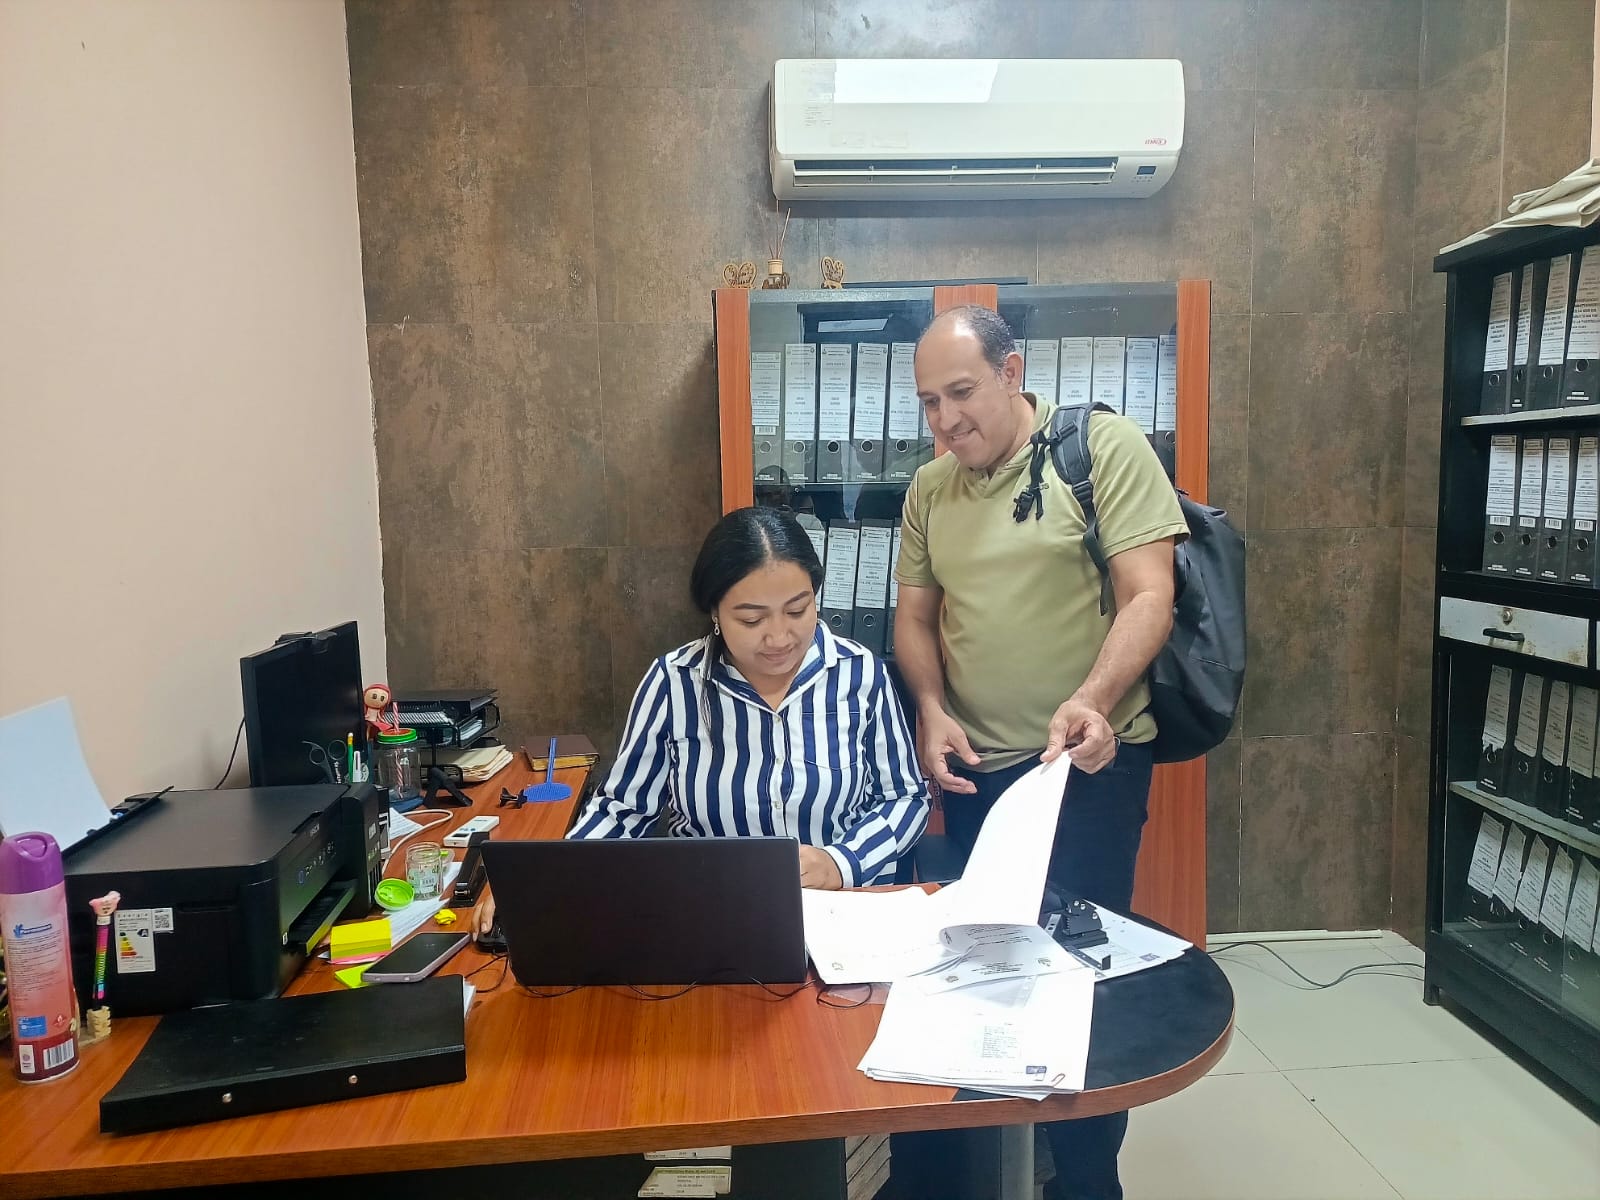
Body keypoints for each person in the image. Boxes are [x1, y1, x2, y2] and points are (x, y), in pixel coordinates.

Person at [891, 306, 1186, 1200]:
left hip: (1086, 767)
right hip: (977, 775)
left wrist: (1091, 700)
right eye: (930, 402)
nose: (946, 420)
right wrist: (931, 709)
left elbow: (1149, 595)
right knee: (985, 974)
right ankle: (993, 1163)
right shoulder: (929, 489)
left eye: (962, 392)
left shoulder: (1102, 449)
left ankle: (1085, 1179)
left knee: (1079, 976)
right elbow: (915, 618)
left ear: (1012, 373)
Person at [473, 506, 929, 937]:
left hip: (840, 915)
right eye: (751, 619)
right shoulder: (675, 682)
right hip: (711, 916)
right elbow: (624, 810)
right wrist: (544, 880)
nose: (779, 637)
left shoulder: (858, 673)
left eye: (797, 610)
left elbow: (906, 798)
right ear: (715, 613)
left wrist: (842, 862)